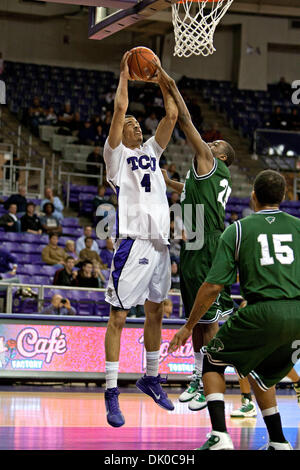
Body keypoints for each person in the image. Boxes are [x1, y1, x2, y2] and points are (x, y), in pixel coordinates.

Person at [169, 169, 300, 450]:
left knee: (211, 360)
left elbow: (213, 286)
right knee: (261, 374)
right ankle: (278, 441)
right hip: (297, 314)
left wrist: (189, 326)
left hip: (262, 311)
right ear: (286, 196)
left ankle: (219, 435)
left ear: (253, 198)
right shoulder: (298, 227)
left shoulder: (238, 229)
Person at [103, 51, 178, 428]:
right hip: (132, 242)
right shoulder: (116, 157)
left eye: (136, 122)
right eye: (129, 123)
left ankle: (150, 377)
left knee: (156, 312)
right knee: (119, 317)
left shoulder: (151, 150)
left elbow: (173, 117)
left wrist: (162, 76)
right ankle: (111, 392)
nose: (133, 123)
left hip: (160, 244)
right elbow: (119, 110)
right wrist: (124, 75)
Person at [158, 64, 235, 412]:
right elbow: (184, 189)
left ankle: (212, 379)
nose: (209, 141)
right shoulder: (200, 176)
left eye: (214, 143)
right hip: (194, 242)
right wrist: (162, 178)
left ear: (219, 156)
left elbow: (186, 122)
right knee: (199, 317)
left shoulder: (209, 161)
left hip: (207, 242)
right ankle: (197, 376)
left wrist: (170, 84)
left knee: (210, 320)